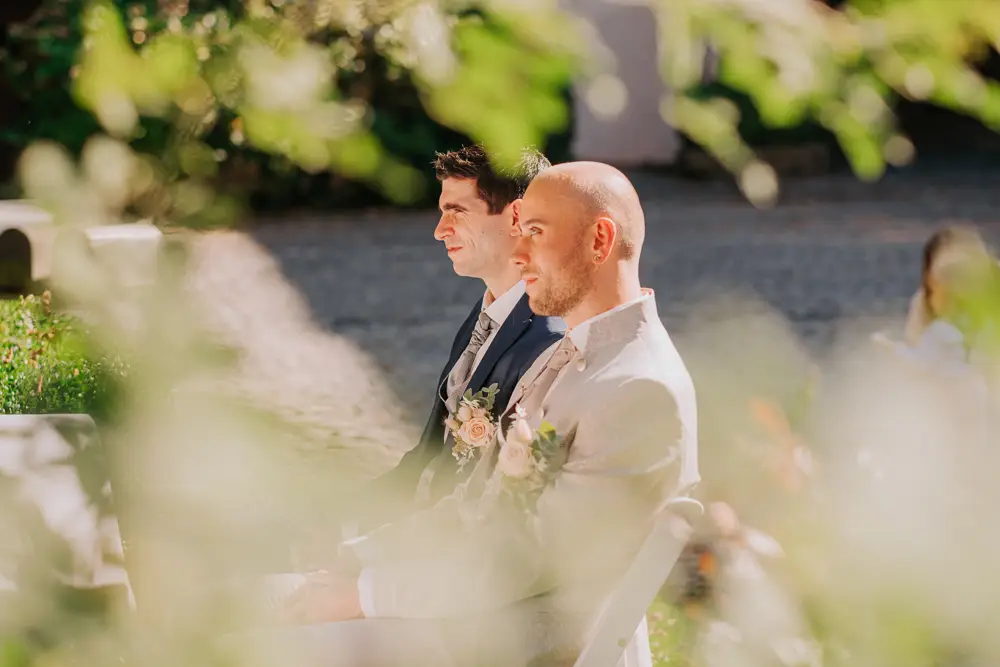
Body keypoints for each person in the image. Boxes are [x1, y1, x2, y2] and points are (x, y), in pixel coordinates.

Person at [236, 162, 699, 667]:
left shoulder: (638, 389)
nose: (518, 254)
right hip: (474, 614)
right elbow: (477, 505)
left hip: (520, 643)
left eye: (536, 233)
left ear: (600, 239)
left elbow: (520, 565)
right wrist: (362, 554)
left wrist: (361, 597)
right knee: (250, 602)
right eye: (519, 233)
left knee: (255, 641)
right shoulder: (574, 358)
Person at [343, 145, 565, 535]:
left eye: (456, 213)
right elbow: (429, 457)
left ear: (516, 217)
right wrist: (340, 520)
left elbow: (494, 500)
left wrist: (363, 552)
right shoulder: (482, 320)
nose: (439, 230)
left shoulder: (548, 341)